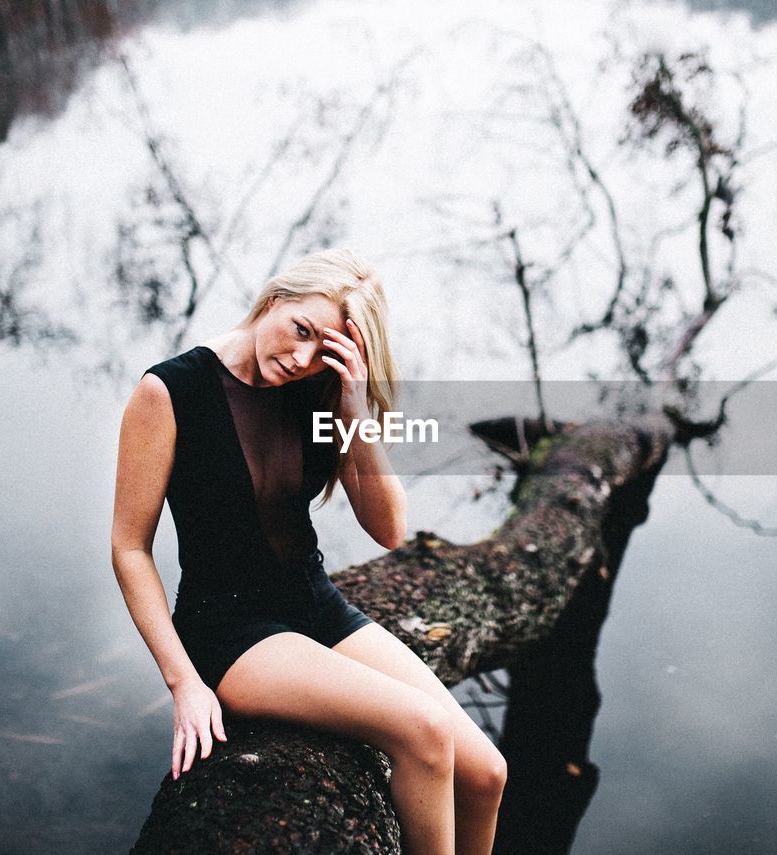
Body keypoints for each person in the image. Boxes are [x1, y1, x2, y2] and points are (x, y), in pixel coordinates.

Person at [110, 248, 506, 854]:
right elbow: (130, 549)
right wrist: (184, 683)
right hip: (229, 628)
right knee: (422, 731)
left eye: (322, 349)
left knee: (485, 775)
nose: (300, 359)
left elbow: (391, 531)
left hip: (314, 603)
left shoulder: (317, 394)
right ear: (276, 298)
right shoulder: (169, 392)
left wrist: (353, 412)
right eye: (299, 331)